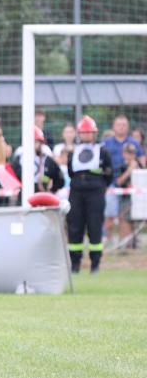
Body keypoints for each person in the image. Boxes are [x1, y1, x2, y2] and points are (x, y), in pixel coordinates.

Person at [66, 116, 113, 274]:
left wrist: (98, 186)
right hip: (76, 192)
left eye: (89, 132)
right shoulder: (73, 152)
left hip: (96, 193)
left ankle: (95, 264)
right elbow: (70, 172)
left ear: (94, 134)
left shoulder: (103, 152)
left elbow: (109, 174)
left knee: (95, 227)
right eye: (83, 132)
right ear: (79, 134)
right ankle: (75, 264)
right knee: (75, 227)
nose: (86, 135)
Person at [102, 114, 145, 247]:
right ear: (114, 126)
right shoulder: (106, 143)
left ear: (128, 127)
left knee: (124, 216)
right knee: (109, 215)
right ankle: (107, 243)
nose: (121, 127)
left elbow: (142, 163)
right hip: (110, 185)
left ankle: (124, 245)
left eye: (124, 125)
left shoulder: (134, 143)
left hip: (129, 187)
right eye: (119, 124)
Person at [11, 127, 64, 196]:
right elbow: (12, 177)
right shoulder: (19, 159)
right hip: (23, 195)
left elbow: (59, 179)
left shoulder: (47, 160)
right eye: (31, 142)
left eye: (36, 142)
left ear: (41, 143)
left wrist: (52, 189)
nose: (32, 145)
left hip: (42, 195)